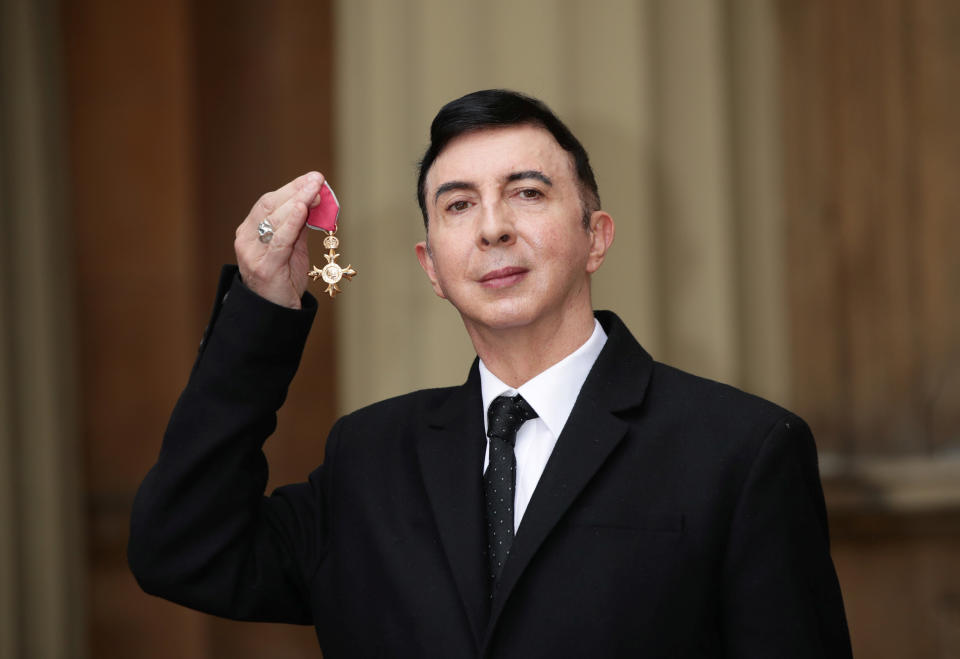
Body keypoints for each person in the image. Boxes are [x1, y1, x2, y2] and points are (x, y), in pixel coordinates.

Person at [129, 89, 852, 658]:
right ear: (433, 267)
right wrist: (259, 308)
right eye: (459, 204)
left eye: (528, 192)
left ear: (594, 237)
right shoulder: (369, 456)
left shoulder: (743, 449)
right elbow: (183, 547)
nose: (493, 227)